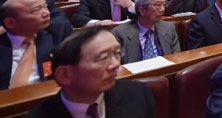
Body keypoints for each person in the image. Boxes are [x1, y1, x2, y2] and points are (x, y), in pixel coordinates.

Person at [26, 27, 155, 118]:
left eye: (116, 54)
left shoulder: (138, 94)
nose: (115, 64)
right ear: (65, 75)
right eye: (103, 58)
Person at [0, 0, 72, 89]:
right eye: (36, 10)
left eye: (45, 7)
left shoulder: (57, 34)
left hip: (47, 95)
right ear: (10, 23)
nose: (46, 13)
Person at [112, 0, 180, 64]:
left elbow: (176, 58)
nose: (162, 9)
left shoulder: (168, 28)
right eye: (158, 5)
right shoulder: (120, 33)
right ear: (142, 10)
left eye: (164, 5)